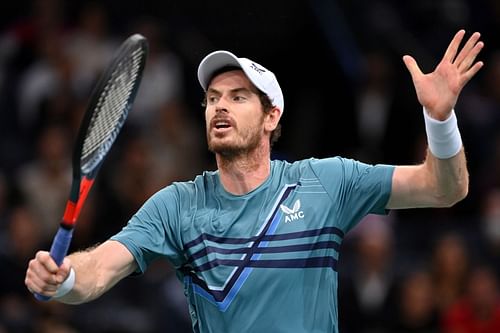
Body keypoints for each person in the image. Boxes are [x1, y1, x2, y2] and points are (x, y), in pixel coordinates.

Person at [25, 30, 484, 333]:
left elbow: (445, 188)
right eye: (212, 98)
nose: (219, 106)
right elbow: (101, 267)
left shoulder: (326, 181)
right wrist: (64, 279)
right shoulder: (177, 206)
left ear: (271, 117)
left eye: (238, 97)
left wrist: (439, 120)